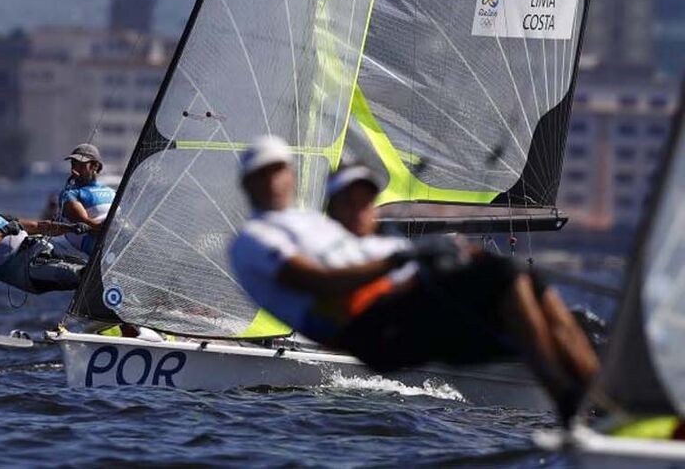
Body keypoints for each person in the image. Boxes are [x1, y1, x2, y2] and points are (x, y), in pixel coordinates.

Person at [229, 136, 600, 423]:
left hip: (411, 304)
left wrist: (449, 255)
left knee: (534, 286)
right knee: (506, 277)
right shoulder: (253, 239)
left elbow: (387, 256)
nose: (272, 180)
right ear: (246, 184)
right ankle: (570, 406)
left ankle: (604, 407)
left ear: (291, 175)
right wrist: (406, 258)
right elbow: (318, 282)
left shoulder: (316, 224)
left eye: (278, 170)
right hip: (372, 326)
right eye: (262, 173)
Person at [0, 174, 90, 293]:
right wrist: (3, 231)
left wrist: (72, 227)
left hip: (41, 252)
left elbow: (38, 226)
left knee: (88, 267)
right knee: (79, 274)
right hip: (26, 270)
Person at [53, 143, 115, 256]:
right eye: (73, 164)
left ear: (95, 166)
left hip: (114, 239)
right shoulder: (70, 194)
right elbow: (85, 223)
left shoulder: (112, 192)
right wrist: (114, 230)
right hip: (93, 245)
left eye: (81, 165)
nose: (74, 170)